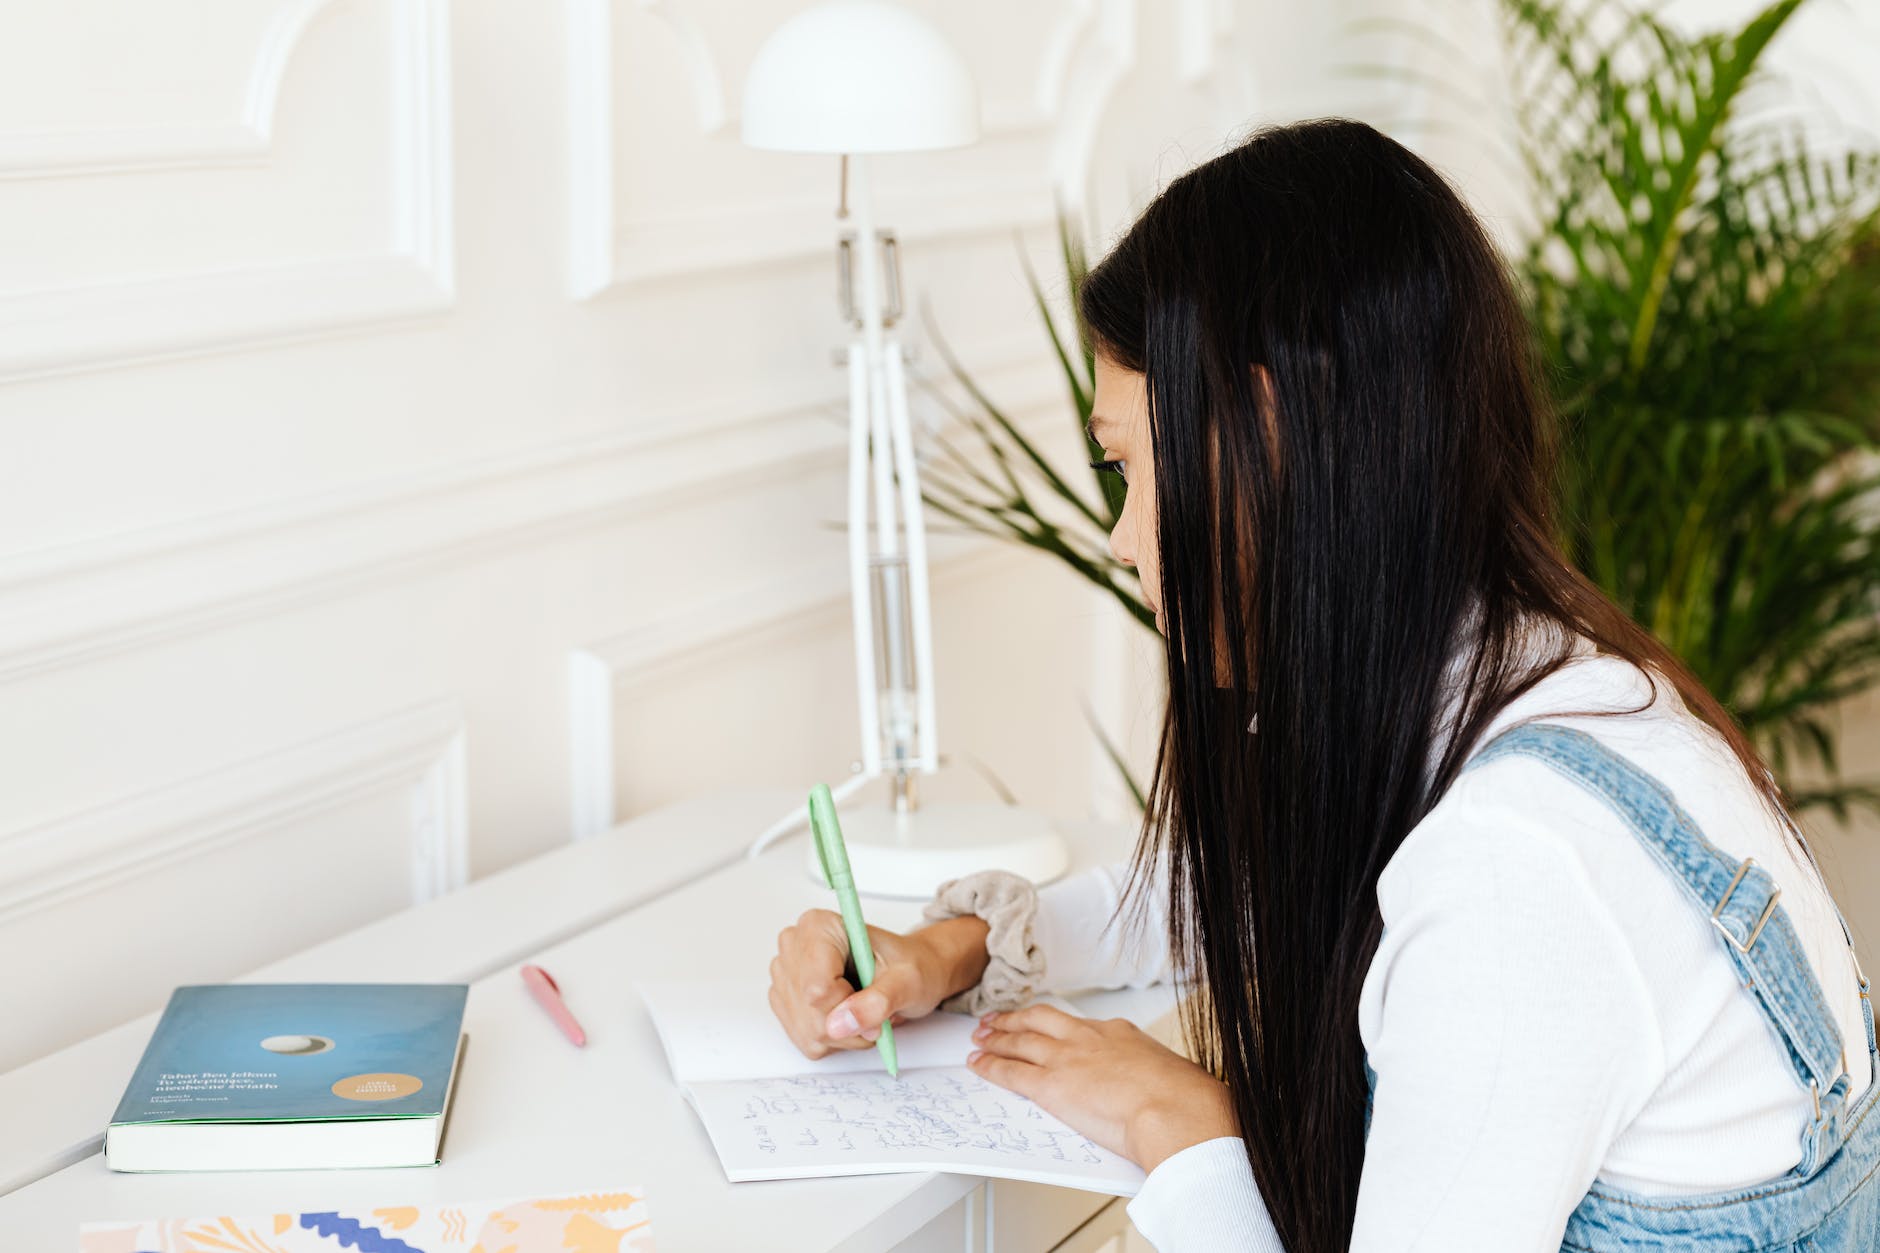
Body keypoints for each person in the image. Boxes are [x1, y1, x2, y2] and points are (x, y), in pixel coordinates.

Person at [765, 117, 1880, 1251]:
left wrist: (1180, 1120)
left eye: (1126, 466)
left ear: (1266, 436)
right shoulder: (1528, 678)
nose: (1117, 534)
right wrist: (951, 950)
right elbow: (1223, 893)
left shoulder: (1514, 871)